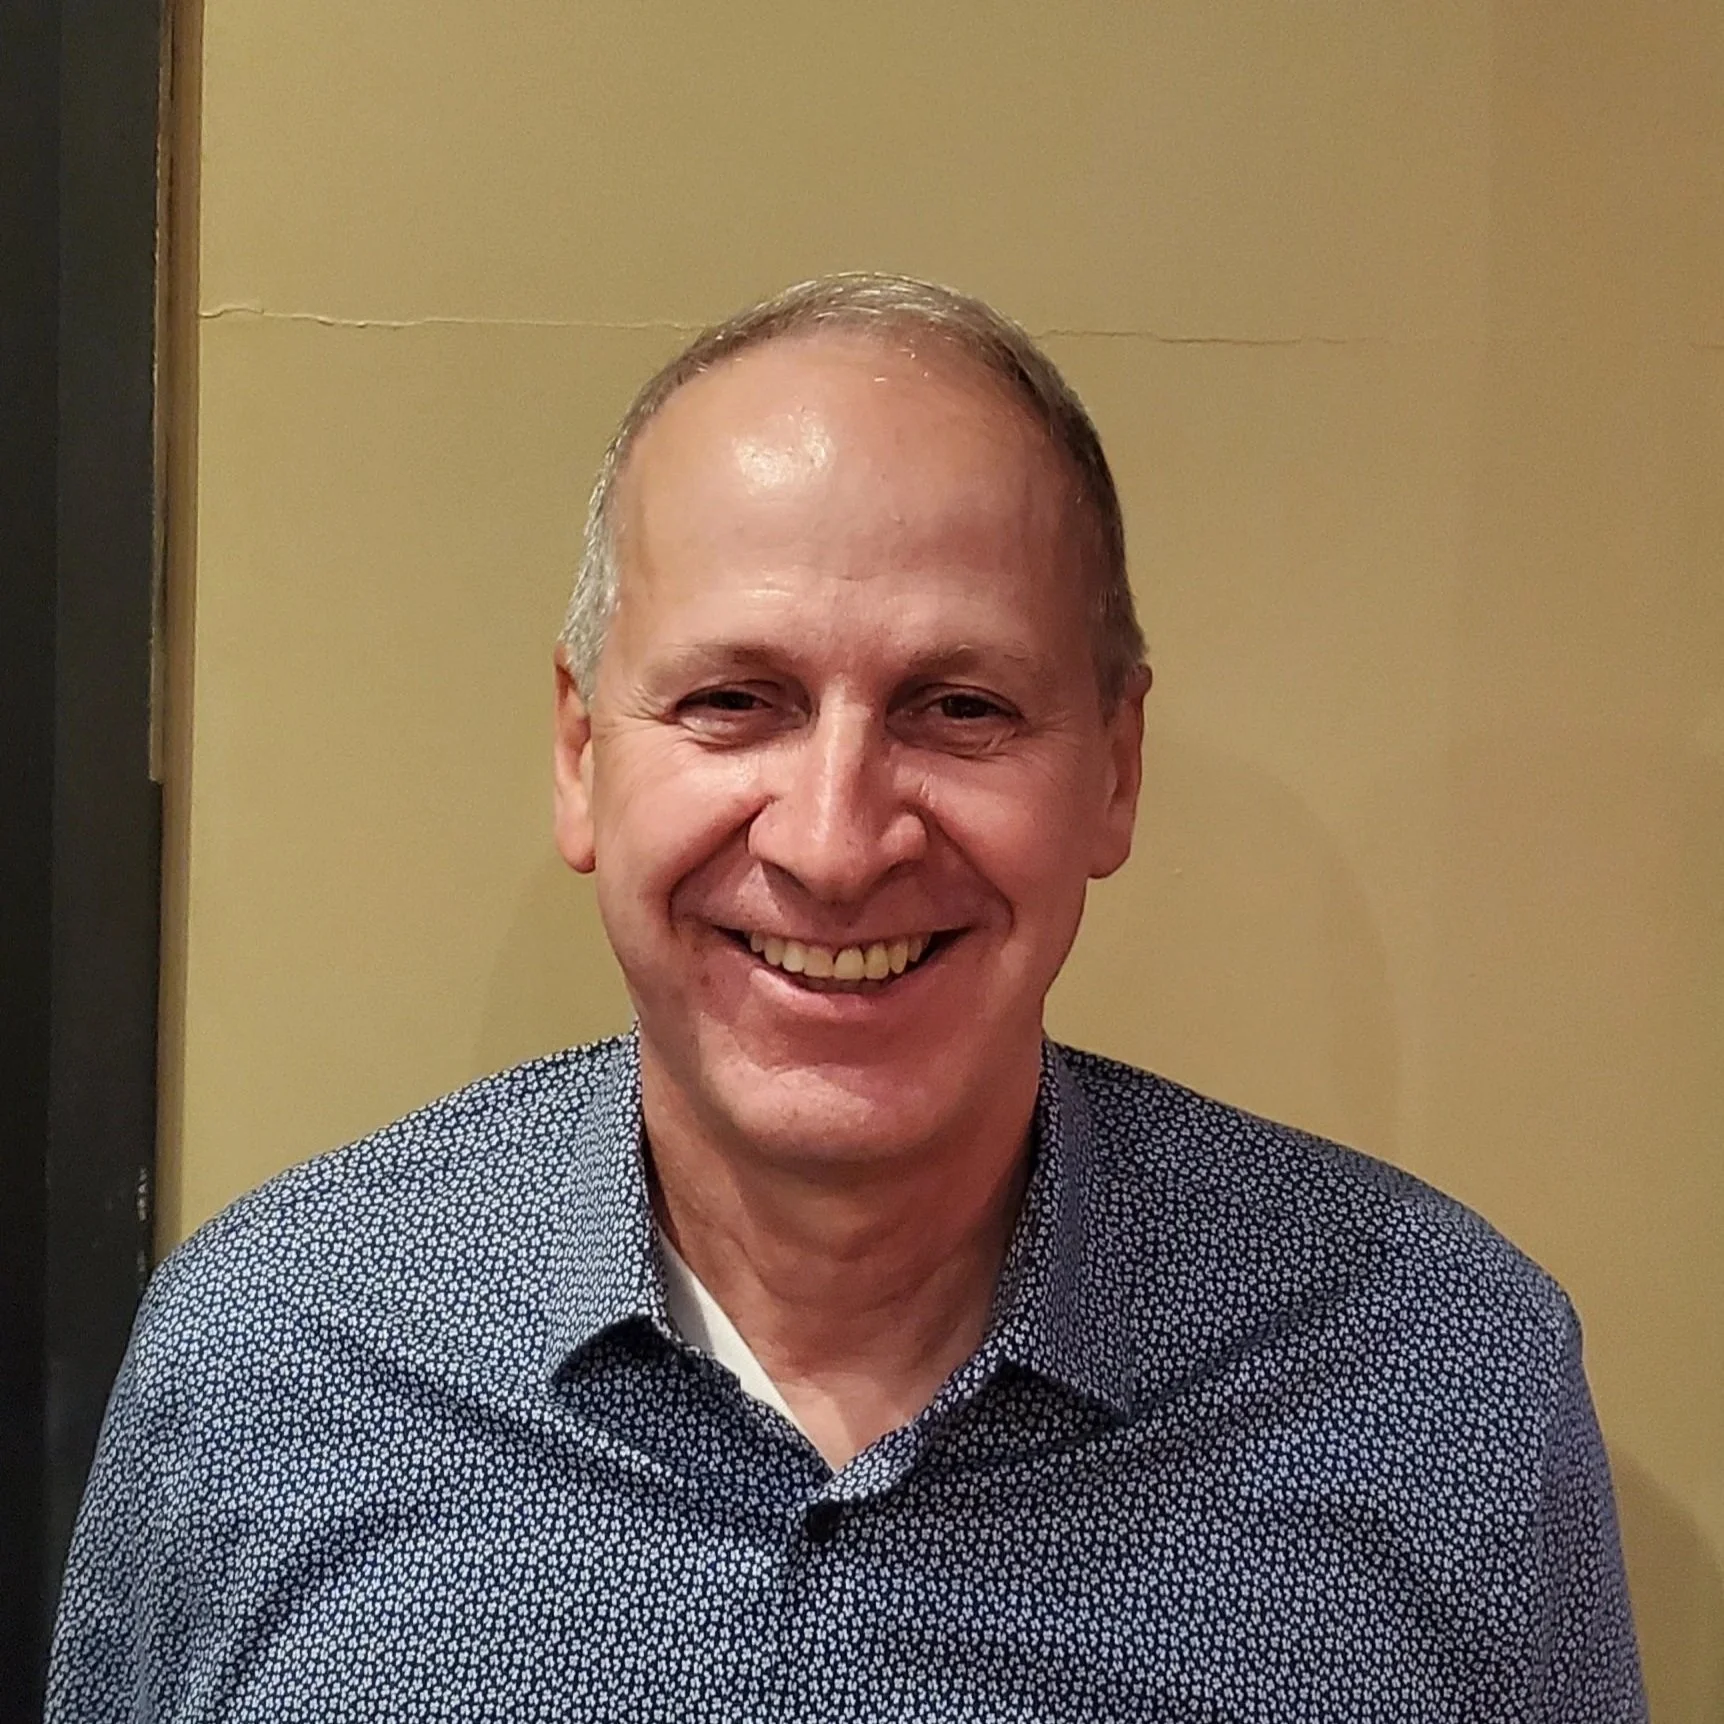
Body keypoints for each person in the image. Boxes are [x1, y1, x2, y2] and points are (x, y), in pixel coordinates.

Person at [49, 274, 1644, 1721]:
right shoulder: (268, 1357)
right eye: (733, 702)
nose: (831, 843)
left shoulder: (1443, 1382)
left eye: (961, 707)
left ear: (1116, 767)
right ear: (581, 753)